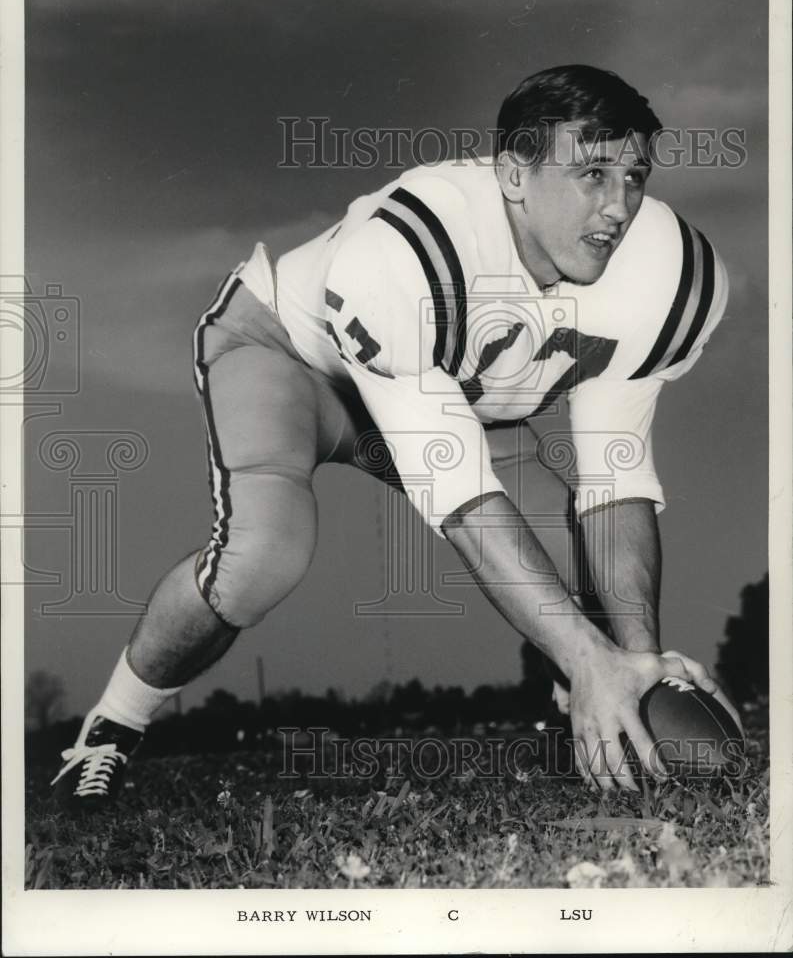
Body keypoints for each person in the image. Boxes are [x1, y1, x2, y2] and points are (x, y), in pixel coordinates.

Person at [51, 64, 741, 806]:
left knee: (579, 566)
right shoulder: (407, 250)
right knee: (265, 556)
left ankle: (593, 716)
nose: (617, 206)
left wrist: (638, 665)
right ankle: (111, 728)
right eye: (591, 173)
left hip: (453, 398)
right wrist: (584, 653)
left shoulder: (666, 272)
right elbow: (460, 498)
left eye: (634, 177)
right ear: (513, 173)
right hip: (295, 363)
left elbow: (615, 475)